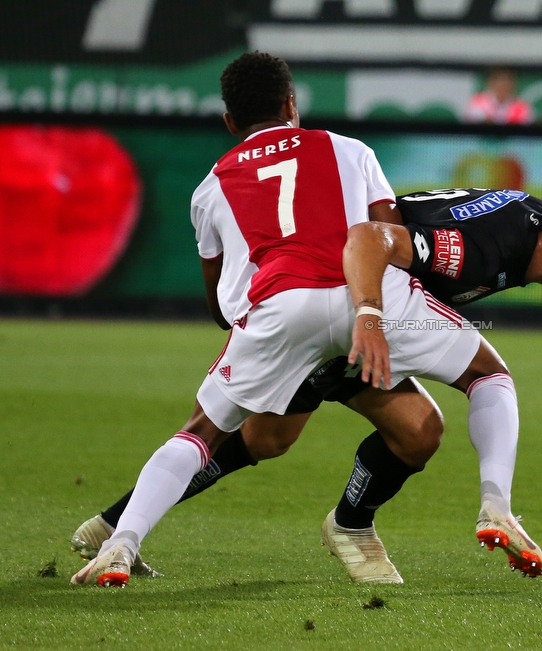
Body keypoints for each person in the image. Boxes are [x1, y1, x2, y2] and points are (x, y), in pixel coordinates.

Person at [71, 183, 542, 583]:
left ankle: (351, 524)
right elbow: (370, 239)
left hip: (379, 318)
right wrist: (367, 317)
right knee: (261, 440)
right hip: (342, 311)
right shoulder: (468, 249)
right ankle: (117, 525)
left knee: (418, 432)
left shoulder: (541, 221)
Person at [69, 51, 497, 588]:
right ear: (292, 104)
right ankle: (117, 525)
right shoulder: (349, 151)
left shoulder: (211, 187)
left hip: (281, 316)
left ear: (229, 122)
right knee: (277, 438)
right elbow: (394, 244)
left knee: (222, 432)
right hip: (359, 313)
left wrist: (261, 332)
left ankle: (119, 537)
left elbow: (220, 301)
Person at [464, 67, 535, 125]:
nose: (504, 84)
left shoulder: (521, 106)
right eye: (500, 80)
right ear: (491, 82)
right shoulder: (477, 101)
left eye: (508, 80)